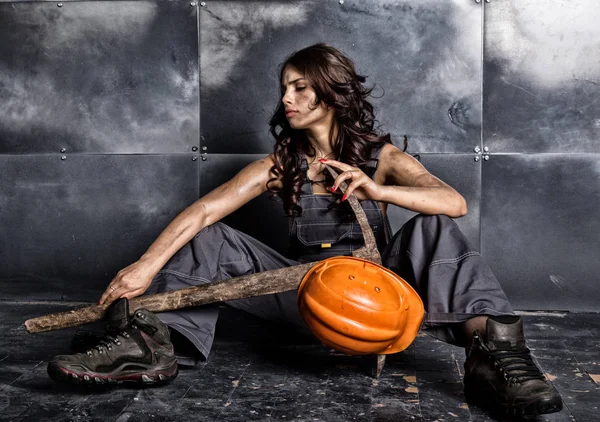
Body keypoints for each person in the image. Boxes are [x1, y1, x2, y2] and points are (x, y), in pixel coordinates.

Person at [47, 44, 562, 418]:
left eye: (300, 87)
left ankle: (496, 363)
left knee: (434, 226)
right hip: (304, 294)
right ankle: (147, 346)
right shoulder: (280, 164)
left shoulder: (382, 158)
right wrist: (145, 267)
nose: (287, 99)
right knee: (209, 239)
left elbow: (453, 201)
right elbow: (203, 212)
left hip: (377, 293)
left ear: (330, 91)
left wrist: (379, 191)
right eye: (284, 89)